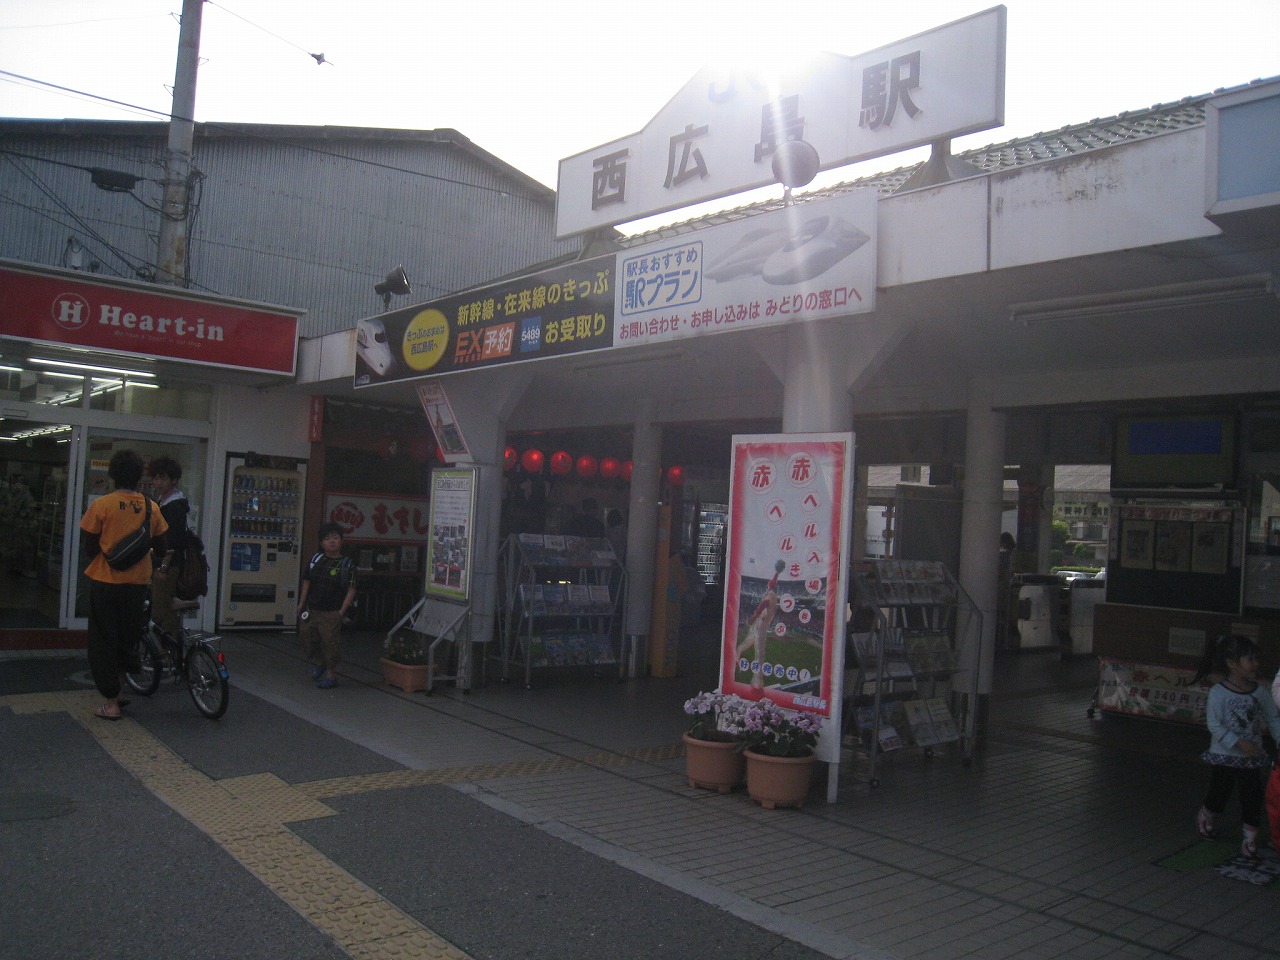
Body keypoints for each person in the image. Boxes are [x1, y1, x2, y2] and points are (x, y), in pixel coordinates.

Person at [78, 449, 169, 720]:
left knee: (103, 640)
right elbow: (161, 547)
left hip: (105, 582)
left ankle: (110, 703)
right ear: (139, 476)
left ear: (113, 475)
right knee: (127, 637)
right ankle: (119, 691)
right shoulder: (151, 507)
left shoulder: (102, 505)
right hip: (137, 584)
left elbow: (90, 547)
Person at [1192, 634, 1280, 861]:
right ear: (1232, 663)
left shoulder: (1260, 692)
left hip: (1252, 758)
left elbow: (1273, 719)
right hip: (1224, 755)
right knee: (1220, 793)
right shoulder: (1218, 692)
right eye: (1250, 659)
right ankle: (1207, 814)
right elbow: (1214, 724)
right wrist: (1239, 742)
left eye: (1256, 659)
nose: (1256, 664)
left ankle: (1249, 839)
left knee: (1252, 796)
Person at [297, 521, 356, 689]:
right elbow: (307, 581)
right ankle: (320, 662)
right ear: (322, 543)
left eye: (335, 538)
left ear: (341, 541)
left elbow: (352, 589)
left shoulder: (347, 564)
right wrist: (301, 603)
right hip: (312, 609)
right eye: (328, 538)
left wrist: (341, 612)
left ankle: (331, 676)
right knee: (307, 638)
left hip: (332, 612)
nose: (332, 541)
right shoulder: (316, 560)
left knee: (330, 643)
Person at [148, 457, 189, 640]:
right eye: (156, 478)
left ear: (173, 480)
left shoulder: (174, 506)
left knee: (163, 611)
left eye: (162, 478)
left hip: (168, 566)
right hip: (161, 563)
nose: (158, 482)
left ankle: (166, 650)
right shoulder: (161, 502)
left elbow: (172, 540)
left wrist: (163, 567)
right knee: (160, 608)